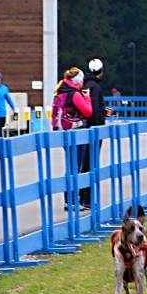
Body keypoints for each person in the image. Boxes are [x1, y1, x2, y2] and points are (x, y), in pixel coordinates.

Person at [53, 67, 93, 209]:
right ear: (78, 81)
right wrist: (87, 98)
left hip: (64, 131)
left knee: (70, 166)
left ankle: (68, 200)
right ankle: (71, 201)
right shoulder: (74, 94)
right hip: (75, 132)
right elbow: (88, 112)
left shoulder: (61, 90)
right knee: (75, 167)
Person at [80, 58, 107, 209]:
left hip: (84, 129)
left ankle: (82, 196)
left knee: (84, 164)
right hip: (94, 129)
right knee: (91, 164)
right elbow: (95, 110)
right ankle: (88, 199)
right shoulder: (95, 88)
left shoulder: (84, 85)